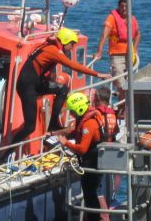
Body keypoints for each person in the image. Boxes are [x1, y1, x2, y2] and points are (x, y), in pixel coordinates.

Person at [6, 28, 110, 158]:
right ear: (65, 40)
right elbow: (73, 65)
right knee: (29, 126)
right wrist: (97, 74)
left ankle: (53, 123)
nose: (72, 48)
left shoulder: (52, 46)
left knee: (62, 89)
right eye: (72, 44)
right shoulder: (53, 51)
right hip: (27, 86)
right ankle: (5, 154)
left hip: (35, 83)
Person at [58, 88, 118, 221]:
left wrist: (66, 144)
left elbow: (83, 148)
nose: (71, 115)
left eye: (72, 111)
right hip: (92, 162)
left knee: (91, 197)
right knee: (90, 195)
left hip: (92, 163)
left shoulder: (89, 123)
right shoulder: (89, 120)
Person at [92, 0, 141, 106]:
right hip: (116, 55)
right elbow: (104, 35)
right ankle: (122, 107)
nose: (124, 8)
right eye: (122, 6)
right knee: (120, 83)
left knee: (129, 82)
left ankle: (124, 108)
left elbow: (138, 35)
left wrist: (135, 49)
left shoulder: (132, 19)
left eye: (126, 6)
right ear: (118, 6)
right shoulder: (111, 18)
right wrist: (99, 51)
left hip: (130, 55)